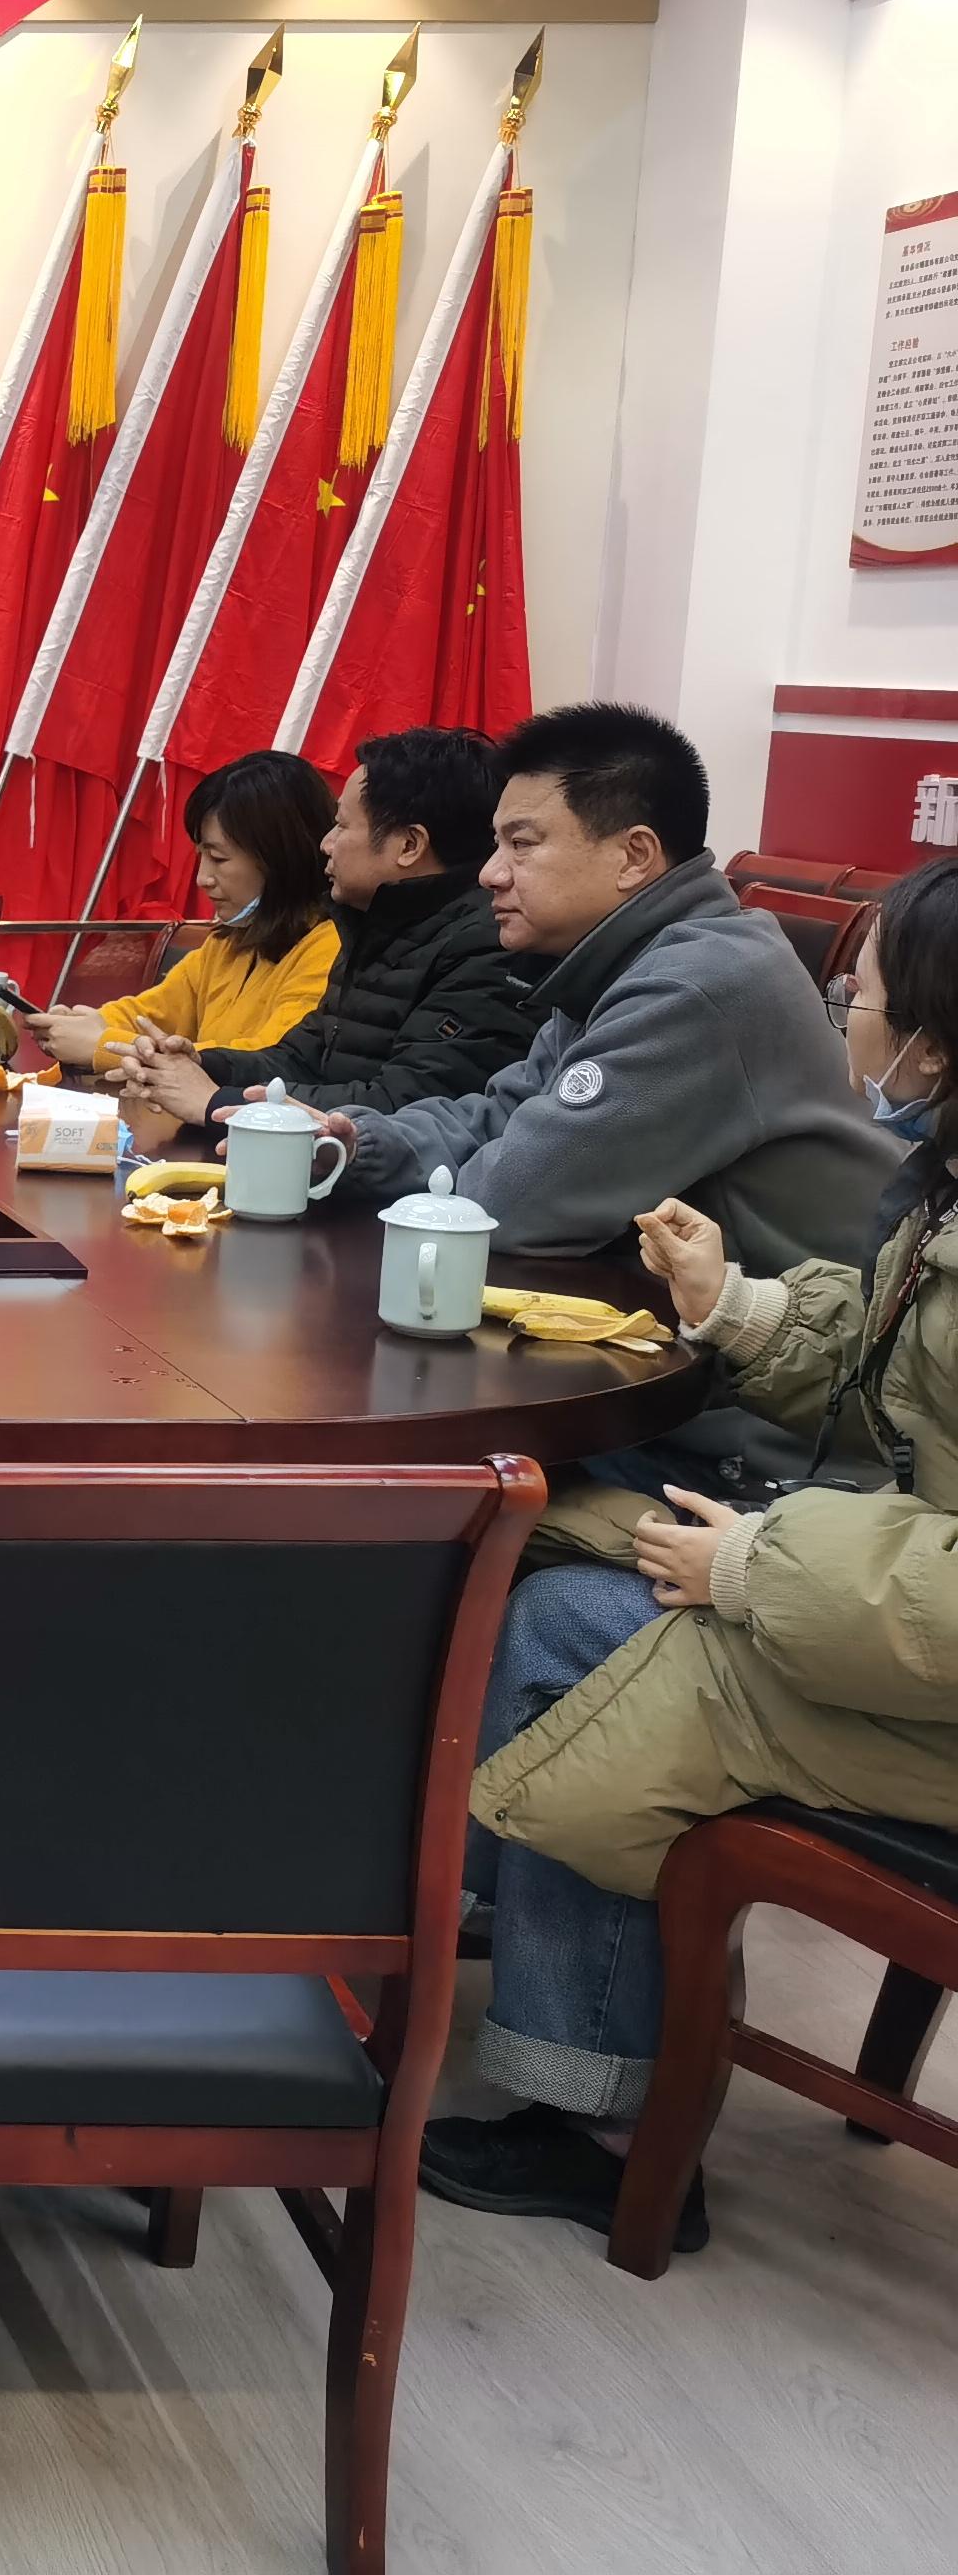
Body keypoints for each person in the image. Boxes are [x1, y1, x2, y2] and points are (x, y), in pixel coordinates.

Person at [425, 859, 958, 2250]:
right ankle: (480, 1928)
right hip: (892, 1599)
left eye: (860, 998)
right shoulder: (944, 1188)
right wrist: (737, 1308)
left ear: (934, 1041)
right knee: (540, 1540)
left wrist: (760, 1571)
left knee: (580, 1632)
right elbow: (897, 1380)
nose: (845, 1020)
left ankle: (603, 2121)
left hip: (922, 1666)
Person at [316, 704, 892, 1511]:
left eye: (522, 844)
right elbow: (499, 1115)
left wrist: (402, 1176)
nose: (489, 873)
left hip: (765, 1452)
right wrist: (353, 1144)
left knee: (389, 1501)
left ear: (634, 856)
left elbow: (513, 1205)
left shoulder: (696, 986)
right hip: (669, 1392)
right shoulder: (619, 961)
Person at [115, 727, 533, 1125]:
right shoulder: (374, 927)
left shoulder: (489, 948)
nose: (326, 843)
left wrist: (216, 1102)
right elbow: (300, 1059)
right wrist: (200, 1064)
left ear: (409, 845)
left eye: (343, 825)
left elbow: (404, 1107)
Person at [34, 750, 340, 1070]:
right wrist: (91, 1023)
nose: (202, 878)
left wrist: (103, 1045)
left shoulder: (329, 948)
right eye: (200, 856)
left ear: (280, 856)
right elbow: (154, 1012)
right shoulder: (229, 941)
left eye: (218, 859)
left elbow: (268, 1058)